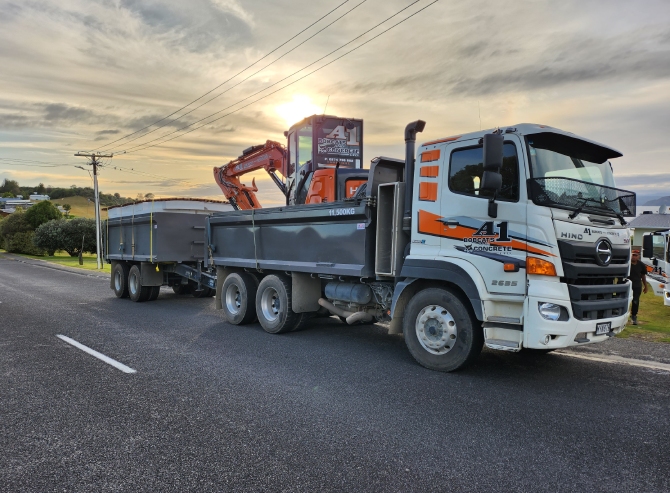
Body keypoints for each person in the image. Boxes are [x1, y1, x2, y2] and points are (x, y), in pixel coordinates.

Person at [627, 250, 648, 325]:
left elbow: (643, 275)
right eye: (633, 255)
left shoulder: (641, 265)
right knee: (624, 300)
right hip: (626, 285)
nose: (634, 256)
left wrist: (645, 286)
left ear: (638, 256)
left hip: (637, 285)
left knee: (635, 301)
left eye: (636, 255)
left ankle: (633, 316)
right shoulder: (627, 263)